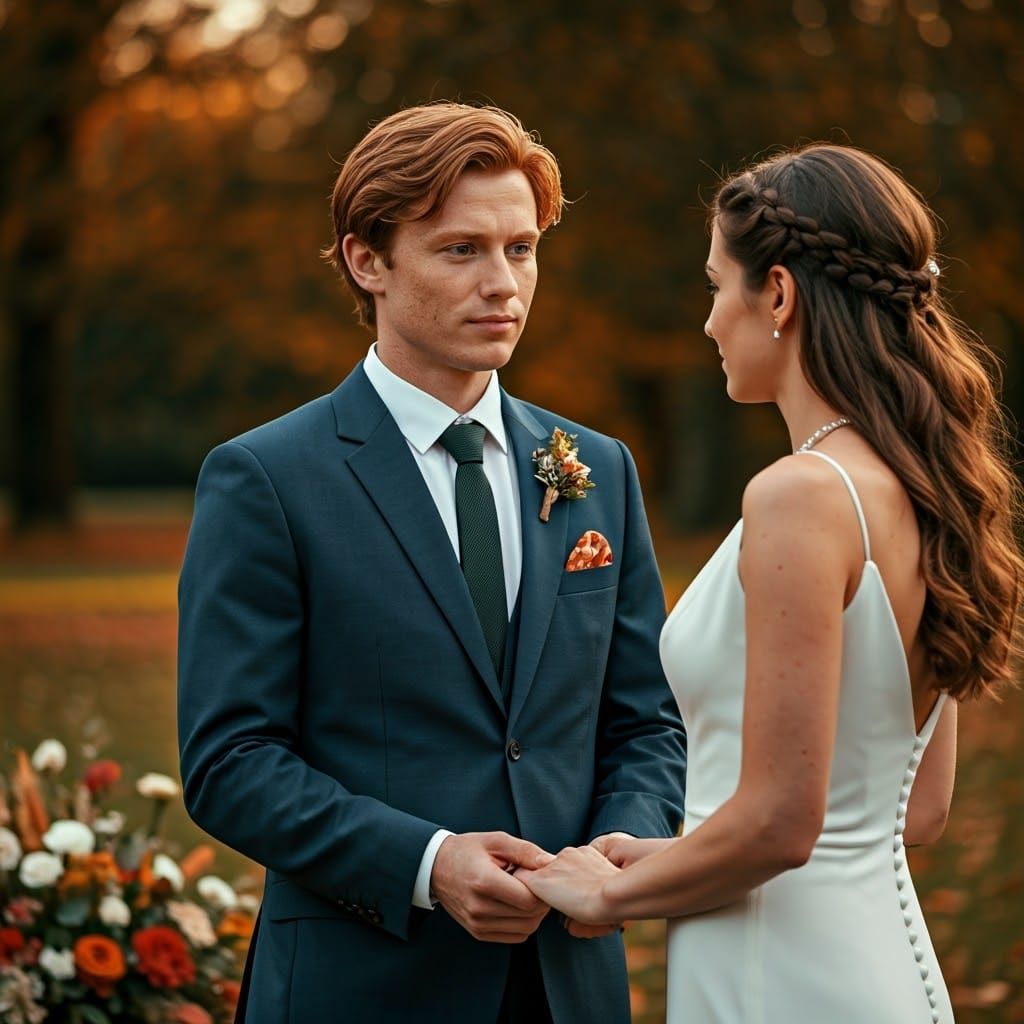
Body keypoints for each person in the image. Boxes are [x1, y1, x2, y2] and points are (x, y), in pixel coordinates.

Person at [176, 102, 686, 1024]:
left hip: (570, 988)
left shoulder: (595, 470)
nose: (504, 285)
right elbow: (231, 761)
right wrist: (427, 863)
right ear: (366, 260)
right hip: (361, 987)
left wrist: (620, 848)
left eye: (521, 249)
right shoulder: (265, 479)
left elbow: (646, 722)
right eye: (462, 250)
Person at [517, 144, 1023, 1023]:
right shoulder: (923, 488)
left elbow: (782, 822)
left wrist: (606, 895)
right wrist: (667, 855)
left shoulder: (800, 496)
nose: (710, 321)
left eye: (718, 286)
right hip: (879, 963)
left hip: (776, 977)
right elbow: (917, 810)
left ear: (778, 294)